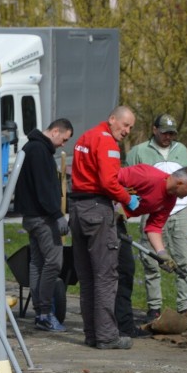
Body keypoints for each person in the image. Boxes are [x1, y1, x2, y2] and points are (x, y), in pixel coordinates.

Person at [126, 114, 187, 321]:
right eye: (164, 132)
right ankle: (154, 308)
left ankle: (185, 307)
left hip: (178, 210)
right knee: (151, 261)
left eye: (172, 133)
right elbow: (124, 181)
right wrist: (124, 208)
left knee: (184, 259)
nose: (168, 136)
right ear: (154, 130)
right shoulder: (139, 151)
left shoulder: (181, 150)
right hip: (151, 209)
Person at [69, 106, 136, 350]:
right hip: (97, 209)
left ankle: (92, 334)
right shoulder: (108, 142)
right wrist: (128, 199)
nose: (127, 131)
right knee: (106, 276)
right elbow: (108, 182)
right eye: (125, 125)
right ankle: (107, 336)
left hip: (77, 209)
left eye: (130, 127)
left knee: (86, 278)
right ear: (112, 119)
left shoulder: (85, 138)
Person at [14, 118, 74, 332]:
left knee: (37, 263)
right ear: (56, 131)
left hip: (31, 217)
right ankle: (45, 313)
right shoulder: (39, 151)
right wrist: (57, 214)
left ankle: (40, 313)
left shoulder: (31, 147)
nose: (63, 144)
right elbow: (44, 188)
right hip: (43, 218)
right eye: (64, 139)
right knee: (54, 263)